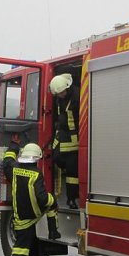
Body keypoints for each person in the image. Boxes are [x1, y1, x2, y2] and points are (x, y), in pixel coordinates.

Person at [9, 143, 61, 256]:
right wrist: (52, 198)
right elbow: (42, 199)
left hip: (19, 213)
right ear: (36, 158)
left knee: (21, 244)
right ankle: (53, 231)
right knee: (22, 246)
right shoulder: (36, 173)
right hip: (32, 214)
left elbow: (7, 162)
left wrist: (12, 148)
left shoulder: (15, 169)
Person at [49, 73, 80, 209]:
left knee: (73, 172)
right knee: (57, 158)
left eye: (61, 93)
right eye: (58, 94)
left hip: (74, 141)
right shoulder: (59, 99)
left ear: (67, 88)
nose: (60, 95)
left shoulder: (76, 98)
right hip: (62, 137)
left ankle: (72, 198)